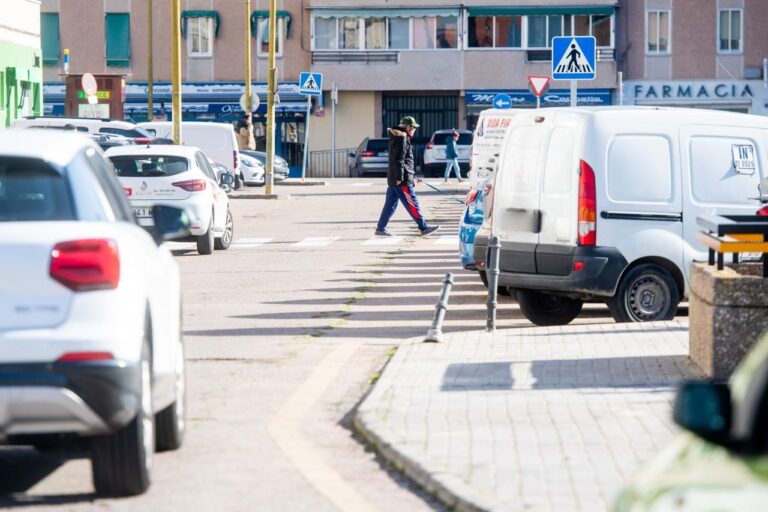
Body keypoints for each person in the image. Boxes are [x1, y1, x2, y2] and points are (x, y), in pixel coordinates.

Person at [375, 116, 440, 237]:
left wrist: (410, 175)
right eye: (414, 127)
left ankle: (380, 228)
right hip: (401, 180)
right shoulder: (402, 138)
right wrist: (400, 177)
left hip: (397, 178)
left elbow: (401, 160)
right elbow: (399, 159)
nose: (415, 130)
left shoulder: (397, 137)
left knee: (390, 204)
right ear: (408, 127)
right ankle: (423, 227)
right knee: (412, 203)